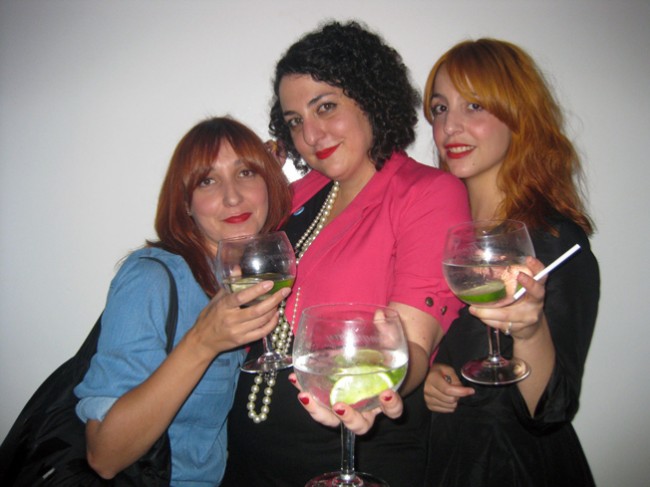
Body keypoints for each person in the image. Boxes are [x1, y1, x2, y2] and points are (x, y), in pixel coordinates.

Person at [222, 21, 470, 487]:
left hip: (353, 457)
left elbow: (414, 344)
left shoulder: (426, 193)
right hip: (250, 459)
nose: (311, 134)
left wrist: (379, 390)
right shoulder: (298, 194)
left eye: (326, 107)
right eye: (295, 121)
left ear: (370, 98)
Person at [73, 116, 292, 486]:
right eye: (207, 181)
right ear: (185, 204)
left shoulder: (240, 278)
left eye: (246, 173)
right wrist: (202, 342)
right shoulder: (150, 278)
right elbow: (104, 456)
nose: (233, 197)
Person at [421, 38, 600, 486]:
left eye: (474, 106)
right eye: (440, 109)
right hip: (445, 462)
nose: (450, 126)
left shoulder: (554, 241)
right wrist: (431, 377)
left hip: (517, 468)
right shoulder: (439, 234)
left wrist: (530, 331)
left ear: (518, 116)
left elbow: (551, 409)